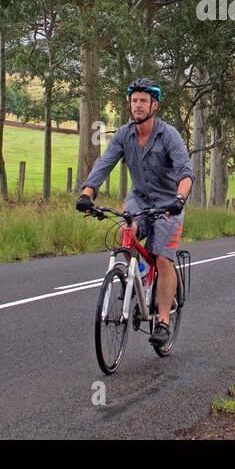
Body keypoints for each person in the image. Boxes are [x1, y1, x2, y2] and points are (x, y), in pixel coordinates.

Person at [76, 78, 193, 347]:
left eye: (143, 100)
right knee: (125, 232)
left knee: (163, 259)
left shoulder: (169, 136)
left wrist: (179, 199)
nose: (137, 105)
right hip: (139, 200)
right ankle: (138, 278)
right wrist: (87, 193)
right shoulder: (124, 135)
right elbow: (104, 163)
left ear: (154, 105)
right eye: (134, 100)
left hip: (168, 204)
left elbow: (186, 173)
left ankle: (162, 320)